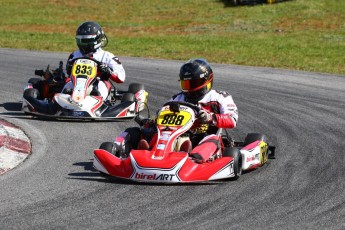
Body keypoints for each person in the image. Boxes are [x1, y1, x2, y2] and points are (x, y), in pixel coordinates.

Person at [115, 58, 238, 163]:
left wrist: (210, 117)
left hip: (204, 135)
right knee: (145, 132)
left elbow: (232, 120)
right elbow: (164, 113)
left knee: (211, 140)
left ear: (206, 81)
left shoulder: (220, 97)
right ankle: (147, 153)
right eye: (186, 84)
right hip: (177, 133)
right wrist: (153, 121)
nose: (189, 89)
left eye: (193, 83)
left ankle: (193, 158)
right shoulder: (178, 98)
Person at [62, 21, 126, 100]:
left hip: (98, 83)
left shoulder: (107, 56)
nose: (83, 45)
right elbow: (69, 74)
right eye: (80, 41)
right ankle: (60, 104)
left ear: (97, 40)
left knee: (100, 89)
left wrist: (108, 71)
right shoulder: (75, 55)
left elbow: (121, 77)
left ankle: (98, 106)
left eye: (86, 41)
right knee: (66, 87)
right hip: (77, 84)